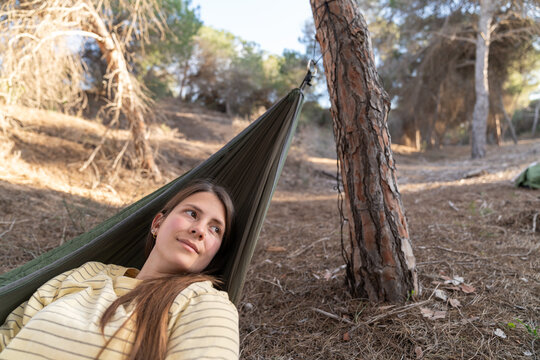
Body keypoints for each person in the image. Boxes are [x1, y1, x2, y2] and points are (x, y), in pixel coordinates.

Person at [0, 180, 239, 360]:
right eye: (192, 213)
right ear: (158, 223)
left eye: (215, 229)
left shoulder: (204, 303)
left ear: (215, 252)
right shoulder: (88, 273)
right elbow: (9, 336)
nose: (199, 230)